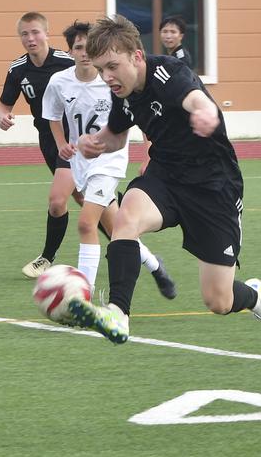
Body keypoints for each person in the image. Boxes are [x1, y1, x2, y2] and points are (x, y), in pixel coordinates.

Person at [70, 14, 261, 345]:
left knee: (219, 300)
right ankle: (118, 312)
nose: (107, 77)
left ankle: (257, 297)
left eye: (113, 66)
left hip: (213, 186)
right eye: (101, 69)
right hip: (166, 175)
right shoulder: (123, 90)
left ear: (137, 56)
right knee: (126, 216)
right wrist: (97, 142)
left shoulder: (168, 72)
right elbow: (115, 134)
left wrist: (206, 112)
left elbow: (194, 97)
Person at [42, 21, 176, 298]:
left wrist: (148, 150)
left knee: (85, 223)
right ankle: (155, 266)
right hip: (81, 161)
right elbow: (52, 116)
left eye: (89, 47)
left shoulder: (113, 83)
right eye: (79, 48)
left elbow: (138, 116)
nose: (85, 53)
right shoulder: (59, 82)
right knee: (117, 229)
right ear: (71, 52)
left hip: (109, 160)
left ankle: (82, 296)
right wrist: (61, 145)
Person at [0, 12, 78, 278]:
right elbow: (3, 105)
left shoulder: (67, 62)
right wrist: (2, 117)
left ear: (46, 33)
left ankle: (46, 258)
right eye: (25, 34)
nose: (31, 38)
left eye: (35, 32)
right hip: (48, 140)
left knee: (57, 201)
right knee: (82, 197)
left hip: (74, 138)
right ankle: (127, 243)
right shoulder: (18, 69)